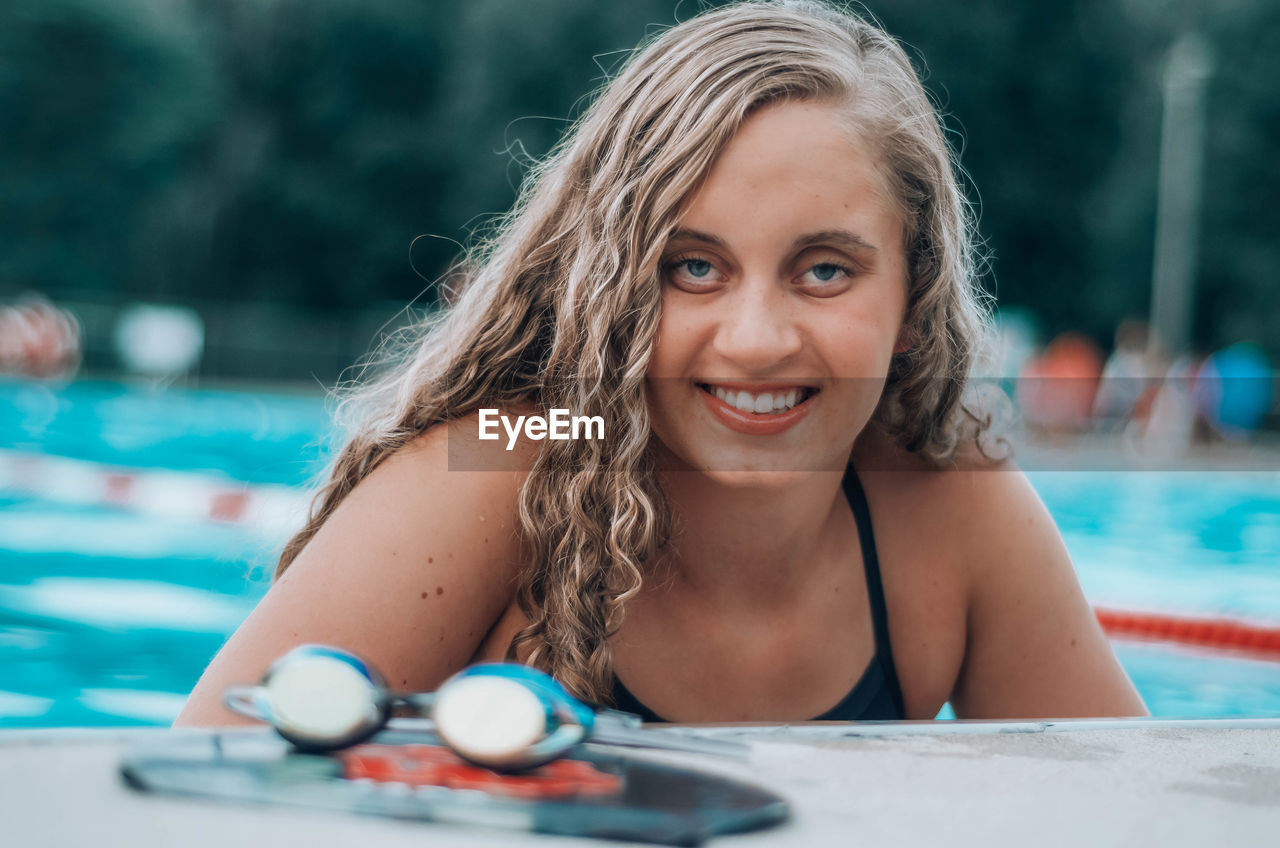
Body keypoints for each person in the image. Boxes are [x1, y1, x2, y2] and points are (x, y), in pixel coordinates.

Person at [175, 0, 1146, 726]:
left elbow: (1137, 808)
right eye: (692, 266)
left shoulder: (943, 502)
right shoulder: (502, 460)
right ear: (604, 284)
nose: (757, 336)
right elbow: (189, 790)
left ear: (912, 294)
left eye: (822, 269)